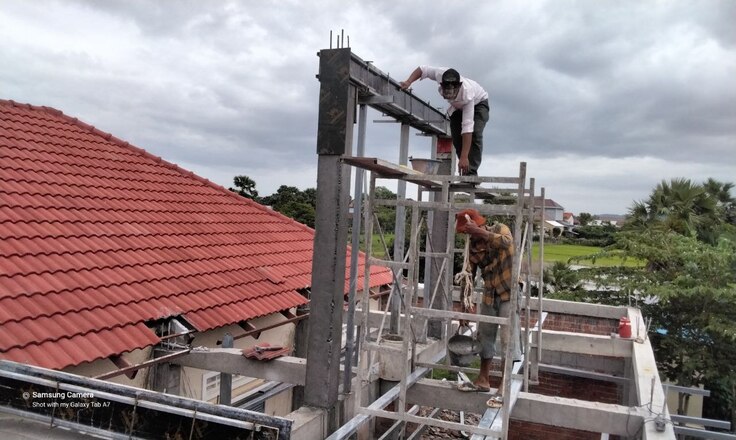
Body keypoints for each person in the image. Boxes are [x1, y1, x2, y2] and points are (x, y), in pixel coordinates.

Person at [454, 209, 519, 408]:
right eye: (467, 233)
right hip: (491, 294)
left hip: (510, 291)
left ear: (478, 225)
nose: (469, 236)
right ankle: (483, 380)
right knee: (485, 336)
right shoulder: (473, 248)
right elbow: (468, 278)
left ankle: (504, 386)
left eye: (470, 231)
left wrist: (481, 232)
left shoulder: (500, 229)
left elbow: (508, 243)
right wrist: (464, 308)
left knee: (507, 340)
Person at [400, 66, 489, 176]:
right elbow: (423, 69)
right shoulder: (440, 74)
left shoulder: (467, 95)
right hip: (457, 108)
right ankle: (465, 170)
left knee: (475, 133)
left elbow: (467, 128)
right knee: (456, 136)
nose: (449, 96)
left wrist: (464, 157)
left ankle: (470, 173)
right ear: (442, 84)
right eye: (447, 93)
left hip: (479, 104)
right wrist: (408, 82)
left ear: (458, 87)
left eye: (452, 94)